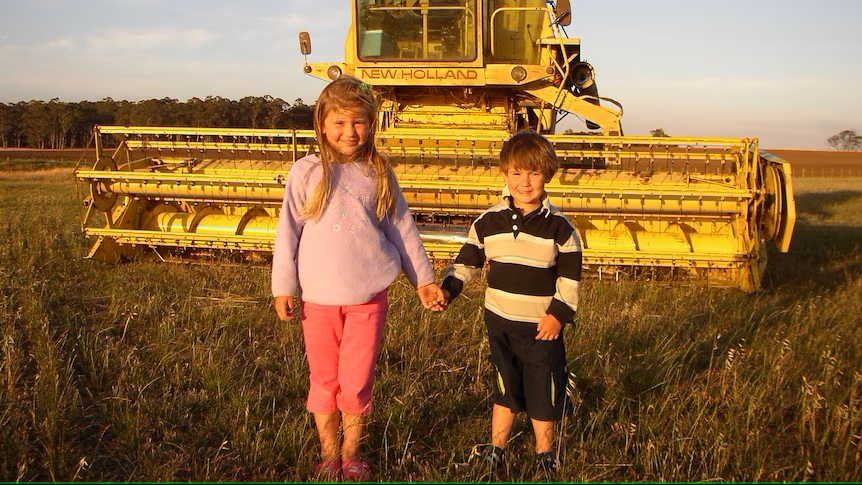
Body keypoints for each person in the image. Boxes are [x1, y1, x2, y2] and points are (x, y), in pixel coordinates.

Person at [271, 74, 445, 481]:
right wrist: (283, 286)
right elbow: (287, 233)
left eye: (358, 122)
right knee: (324, 379)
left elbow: (402, 228)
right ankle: (328, 453)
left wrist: (423, 280)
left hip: (369, 298)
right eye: (339, 123)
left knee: (356, 379)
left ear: (371, 124)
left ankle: (352, 453)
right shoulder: (305, 172)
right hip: (318, 299)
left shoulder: (379, 172)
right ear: (322, 125)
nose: (349, 132)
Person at [439, 130, 582, 477]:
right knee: (504, 384)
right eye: (517, 173)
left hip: (541, 328)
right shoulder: (489, 221)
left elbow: (570, 279)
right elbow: (469, 261)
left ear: (547, 174)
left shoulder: (560, 228)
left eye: (533, 173)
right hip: (499, 322)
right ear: (505, 174)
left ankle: (544, 451)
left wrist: (557, 316)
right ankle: (497, 446)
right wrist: (447, 290)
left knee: (542, 388)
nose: (525, 181)